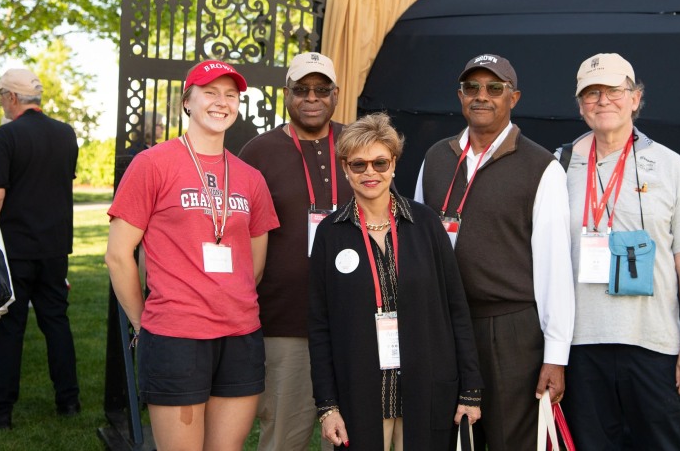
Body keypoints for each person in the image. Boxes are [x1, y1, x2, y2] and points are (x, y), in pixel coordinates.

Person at [106, 59, 280, 451]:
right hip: (175, 335)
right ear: (187, 101)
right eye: (210, 93)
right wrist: (144, 324)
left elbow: (254, 265)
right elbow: (118, 255)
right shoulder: (153, 164)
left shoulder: (250, 177)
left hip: (241, 335)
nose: (222, 102)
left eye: (231, 95)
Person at [560, 53, 680, 450]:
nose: (603, 101)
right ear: (580, 105)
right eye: (592, 93)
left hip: (655, 346)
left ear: (635, 98)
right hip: (580, 348)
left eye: (614, 91)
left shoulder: (669, 166)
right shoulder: (557, 167)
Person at [415, 54, 574, 450]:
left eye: (494, 88)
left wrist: (556, 355)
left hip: (510, 329)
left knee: (509, 441)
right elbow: (416, 244)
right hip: (445, 325)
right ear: (460, 96)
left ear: (513, 98)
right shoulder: (436, 157)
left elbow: (555, 268)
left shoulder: (542, 167)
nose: (481, 96)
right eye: (472, 88)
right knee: (446, 439)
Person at [309, 112, 484, 450]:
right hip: (359, 394)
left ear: (394, 164)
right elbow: (320, 327)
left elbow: (456, 310)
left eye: (379, 162)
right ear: (345, 168)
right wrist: (327, 406)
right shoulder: (330, 234)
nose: (370, 172)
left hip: (426, 389)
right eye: (358, 165)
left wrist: (470, 390)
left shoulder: (427, 224)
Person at [238, 52, 353, 451]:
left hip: (355, 320)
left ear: (336, 94)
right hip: (285, 322)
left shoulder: (359, 144)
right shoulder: (258, 153)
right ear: (286, 93)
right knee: (283, 438)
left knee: (350, 438)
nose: (312, 97)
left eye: (322, 89)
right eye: (302, 89)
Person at [0, 67, 81, 428]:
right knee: (56, 322)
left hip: (16, 248)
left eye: (1, 95)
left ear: (13, 97)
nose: (0, 102)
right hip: (55, 247)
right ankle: (69, 401)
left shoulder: (7, 136)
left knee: (9, 327)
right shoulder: (66, 133)